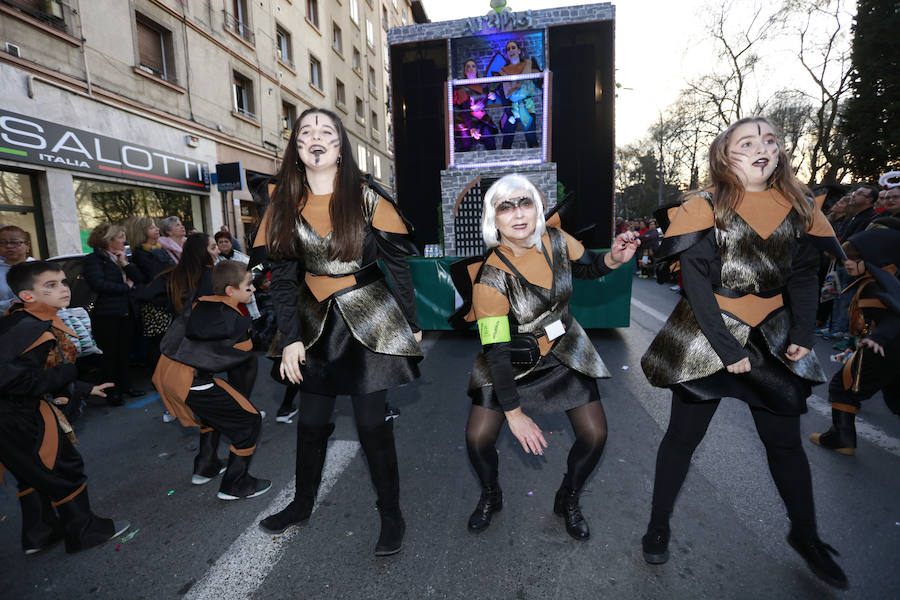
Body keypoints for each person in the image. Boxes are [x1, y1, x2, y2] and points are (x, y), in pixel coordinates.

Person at [639, 117, 848, 589]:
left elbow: (803, 277)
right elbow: (694, 285)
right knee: (682, 439)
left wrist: (801, 332)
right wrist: (726, 346)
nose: (762, 147)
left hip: (772, 335)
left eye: (769, 140)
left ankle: (806, 535)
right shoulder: (702, 207)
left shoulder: (801, 208)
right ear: (724, 156)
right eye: (747, 142)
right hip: (708, 333)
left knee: (785, 443)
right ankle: (657, 525)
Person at [256, 107, 423, 556]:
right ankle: (302, 503)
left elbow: (398, 266)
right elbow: (284, 280)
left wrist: (412, 323)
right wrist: (289, 338)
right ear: (297, 148)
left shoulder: (369, 198)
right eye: (305, 130)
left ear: (339, 148)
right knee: (310, 423)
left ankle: (391, 514)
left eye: (326, 130)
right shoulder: (282, 207)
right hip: (312, 325)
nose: (314, 136)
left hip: (370, 316)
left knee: (372, 424)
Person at [450, 174, 639, 540]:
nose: (517, 214)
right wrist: (515, 414)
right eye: (505, 207)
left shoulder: (557, 240)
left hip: (564, 349)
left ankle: (568, 497)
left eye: (525, 202)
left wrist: (614, 259)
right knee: (478, 438)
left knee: (595, 434)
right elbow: (496, 351)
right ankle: (491, 493)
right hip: (511, 361)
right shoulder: (489, 280)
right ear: (494, 219)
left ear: (537, 208)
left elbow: (586, 269)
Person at [0, 261, 128, 554]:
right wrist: (69, 374)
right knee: (62, 467)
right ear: (27, 295)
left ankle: (40, 532)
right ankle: (84, 531)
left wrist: (84, 388)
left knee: (31, 470)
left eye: (63, 282)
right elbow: (20, 381)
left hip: (14, 416)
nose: (64, 289)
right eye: (51, 285)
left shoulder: (20, 319)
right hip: (20, 415)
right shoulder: (31, 331)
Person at [152, 260, 270, 500]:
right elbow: (243, 360)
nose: (254, 290)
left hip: (168, 373)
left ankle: (206, 465)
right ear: (230, 291)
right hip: (190, 381)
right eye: (248, 286)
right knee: (249, 421)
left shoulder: (201, 302)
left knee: (216, 412)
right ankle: (235, 484)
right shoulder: (234, 319)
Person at [810, 226, 900, 453]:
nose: (846, 263)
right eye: (845, 259)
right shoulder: (881, 282)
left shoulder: (873, 287)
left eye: (853, 259)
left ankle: (842, 438)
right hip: (889, 348)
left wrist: (877, 338)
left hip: (884, 347)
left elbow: (894, 318)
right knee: (896, 398)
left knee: (843, 387)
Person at [83, 223, 143, 406]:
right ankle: (112, 392)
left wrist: (124, 263)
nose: (124, 240)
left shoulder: (119, 258)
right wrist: (125, 287)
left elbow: (139, 278)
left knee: (125, 352)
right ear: (108, 239)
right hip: (106, 314)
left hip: (125, 311)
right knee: (109, 355)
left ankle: (126, 386)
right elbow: (98, 284)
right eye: (120, 237)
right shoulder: (94, 259)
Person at [499, 39, 541, 149]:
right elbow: (507, 93)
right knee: (507, 139)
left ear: (518, 51)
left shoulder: (528, 64)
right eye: (508, 49)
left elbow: (537, 80)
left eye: (513, 47)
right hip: (513, 108)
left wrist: (516, 87)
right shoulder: (503, 70)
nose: (511, 50)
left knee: (531, 138)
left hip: (527, 106)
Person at [454, 59, 499, 152]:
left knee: (489, 140)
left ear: (476, 69)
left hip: (481, 119)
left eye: (473, 66)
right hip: (465, 120)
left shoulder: (483, 85)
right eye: (468, 66)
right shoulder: (462, 87)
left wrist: (493, 97)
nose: (471, 68)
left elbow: (488, 99)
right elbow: (464, 110)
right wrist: (472, 128)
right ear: (464, 70)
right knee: (466, 144)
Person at [215, 230, 259, 319]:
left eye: (226, 241)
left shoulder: (241, 257)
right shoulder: (215, 259)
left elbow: (256, 269)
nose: (223, 244)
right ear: (217, 244)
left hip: (243, 290)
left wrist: (245, 280)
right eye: (220, 242)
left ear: (231, 243)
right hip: (225, 293)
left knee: (249, 317)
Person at [0, 225, 36, 314]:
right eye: (2, 243)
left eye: (15, 242)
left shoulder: (41, 268)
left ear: (27, 245)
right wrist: (8, 304)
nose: (9, 246)